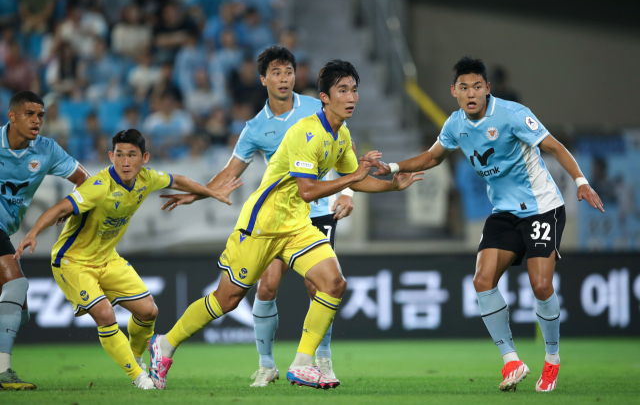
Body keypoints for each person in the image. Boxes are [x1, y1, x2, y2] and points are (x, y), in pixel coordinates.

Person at [148, 58, 423, 390]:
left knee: (333, 283)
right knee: (228, 298)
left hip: (295, 223)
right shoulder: (307, 131)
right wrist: (204, 192)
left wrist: (393, 185)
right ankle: (164, 344)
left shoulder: (341, 132)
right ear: (325, 97)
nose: (350, 97)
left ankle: (303, 363)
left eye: (354, 90)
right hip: (263, 223)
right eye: (342, 90)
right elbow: (308, 189)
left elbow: (359, 180)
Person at [368, 57, 604, 393]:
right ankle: (511, 360)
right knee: (482, 279)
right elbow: (433, 156)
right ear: (454, 91)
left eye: (477, 86)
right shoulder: (455, 125)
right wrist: (392, 166)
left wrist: (580, 181)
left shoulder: (511, 114)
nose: (471, 93)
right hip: (504, 213)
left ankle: (552, 360)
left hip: (541, 208)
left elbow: (554, 145)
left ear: (488, 88)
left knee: (540, 286)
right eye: (464, 87)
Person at [161, 46, 356, 387]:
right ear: (263, 79)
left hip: (316, 211)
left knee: (321, 285)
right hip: (274, 218)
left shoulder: (316, 106)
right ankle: (267, 364)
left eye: (289, 72)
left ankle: (319, 361)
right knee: (265, 287)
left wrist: (348, 192)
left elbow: (346, 152)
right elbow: (230, 171)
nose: (284, 79)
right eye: (276, 73)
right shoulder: (255, 128)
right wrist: (199, 192)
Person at [14, 129, 242, 390]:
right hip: (73, 261)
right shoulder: (99, 186)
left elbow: (178, 180)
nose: (124, 161)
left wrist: (210, 193)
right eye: (119, 155)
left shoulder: (148, 178)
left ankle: (135, 357)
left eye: (131, 155)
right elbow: (61, 207)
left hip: (107, 258)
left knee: (149, 311)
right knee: (104, 313)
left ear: (144, 158)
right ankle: (139, 376)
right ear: (111, 156)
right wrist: (32, 233)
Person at [0, 91, 90, 390]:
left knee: (19, 313)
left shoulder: (47, 150)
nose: (37, 120)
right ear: (11, 116)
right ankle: (2, 372)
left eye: (40, 115)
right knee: (16, 284)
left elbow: (87, 182)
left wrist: (71, 204)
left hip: (4, 229)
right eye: (29, 114)